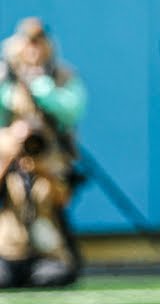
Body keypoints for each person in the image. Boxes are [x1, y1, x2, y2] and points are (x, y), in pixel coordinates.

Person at [0, 18, 85, 289]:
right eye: (28, 42)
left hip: (50, 166)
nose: (33, 49)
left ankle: (52, 257)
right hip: (9, 162)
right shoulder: (5, 79)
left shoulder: (62, 76)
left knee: (55, 273)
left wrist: (39, 86)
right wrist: (14, 139)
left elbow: (72, 109)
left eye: (39, 42)